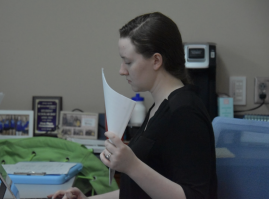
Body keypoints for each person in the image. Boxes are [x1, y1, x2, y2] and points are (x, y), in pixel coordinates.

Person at [48, 12, 217, 199]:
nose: (122, 70)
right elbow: (138, 191)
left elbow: (194, 196)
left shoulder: (185, 112)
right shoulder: (159, 108)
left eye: (128, 62)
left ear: (156, 61)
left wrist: (132, 166)